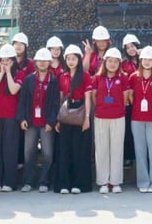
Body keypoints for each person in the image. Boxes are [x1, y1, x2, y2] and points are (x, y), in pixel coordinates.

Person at [18, 48, 60, 193]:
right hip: (30, 122)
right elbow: (22, 101)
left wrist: (51, 121)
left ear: (49, 62)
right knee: (29, 152)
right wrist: (22, 118)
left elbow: (56, 103)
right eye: (40, 61)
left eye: (45, 61)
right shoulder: (29, 79)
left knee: (48, 154)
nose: (42, 63)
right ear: (35, 62)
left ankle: (44, 182)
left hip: (46, 123)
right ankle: (28, 182)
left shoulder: (53, 80)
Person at [55, 45, 93, 194]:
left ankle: (79, 184)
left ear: (79, 59)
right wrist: (58, 118)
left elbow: (88, 98)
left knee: (79, 150)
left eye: (74, 58)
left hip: (80, 112)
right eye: (68, 58)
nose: (71, 61)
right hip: (65, 113)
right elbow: (60, 98)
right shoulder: (62, 76)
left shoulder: (85, 76)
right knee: (64, 150)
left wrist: (87, 118)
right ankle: (64, 184)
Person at [128, 46, 152, 193]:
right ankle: (143, 182)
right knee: (140, 151)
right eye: (145, 59)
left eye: (150, 59)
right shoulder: (133, 77)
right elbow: (130, 96)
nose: (147, 62)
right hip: (137, 119)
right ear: (140, 60)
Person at [0, 44, 24, 193]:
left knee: (10, 150)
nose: (5, 63)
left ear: (13, 61)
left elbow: (14, 90)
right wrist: (2, 73)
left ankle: (9, 182)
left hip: (11, 117)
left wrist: (8, 73)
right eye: (3, 60)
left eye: (8, 60)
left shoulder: (19, 74)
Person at [91, 48, 129, 194]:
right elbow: (94, 96)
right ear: (105, 62)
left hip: (118, 117)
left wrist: (116, 108)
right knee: (101, 149)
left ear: (119, 63)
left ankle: (115, 181)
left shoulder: (123, 78)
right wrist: (102, 108)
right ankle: (103, 182)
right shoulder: (97, 78)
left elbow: (125, 97)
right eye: (110, 61)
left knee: (117, 149)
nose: (112, 64)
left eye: (115, 62)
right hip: (101, 117)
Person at [121, 33, 140, 167]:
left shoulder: (146, 59)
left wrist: (142, 53)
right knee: (128, 130)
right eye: (127, 48)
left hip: (145, 99)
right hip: (129, 100)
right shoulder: (123, 64)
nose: (130, 49)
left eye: (132, 46)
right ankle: (128, 156)